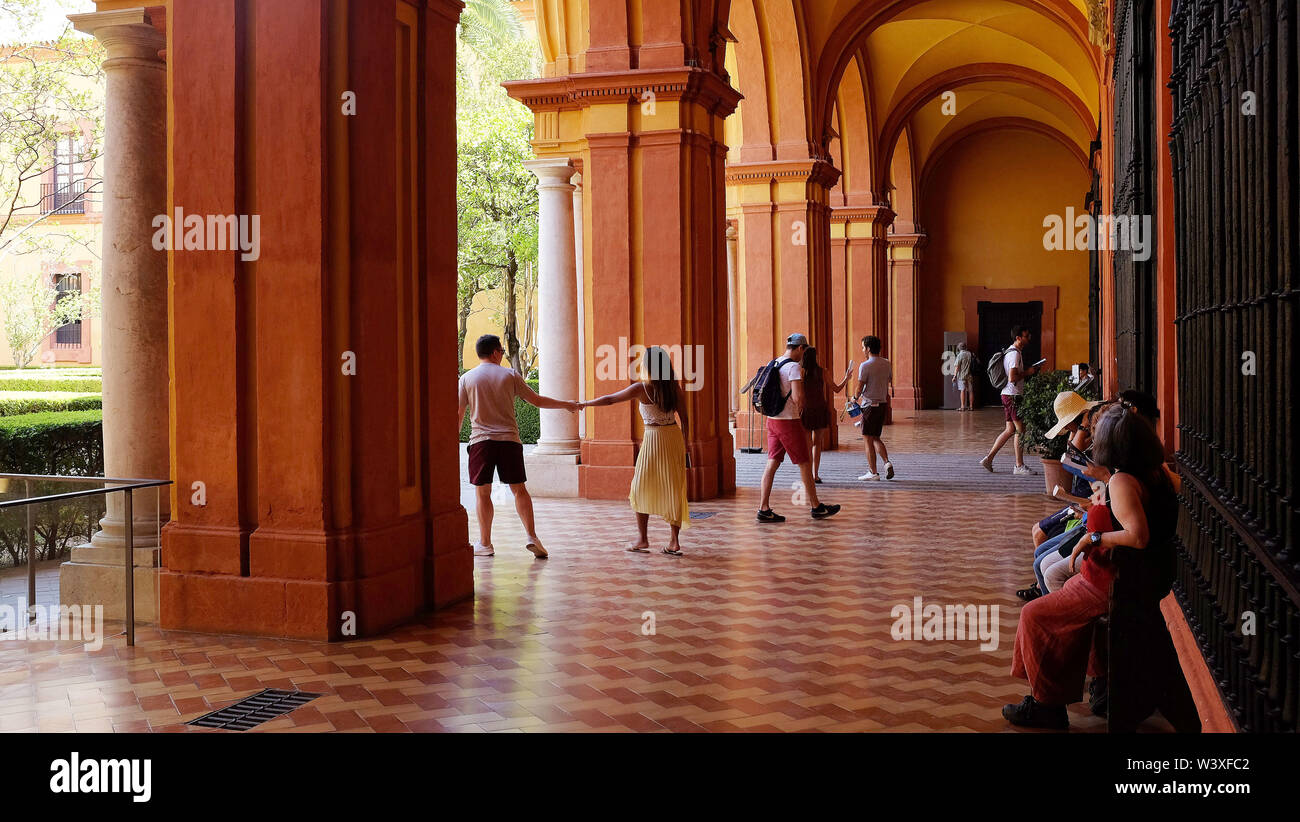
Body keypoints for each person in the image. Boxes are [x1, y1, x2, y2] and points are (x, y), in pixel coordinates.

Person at [1003, 402, 1179, 729]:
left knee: (1035, 615)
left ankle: (1046, 705)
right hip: (1127, 576)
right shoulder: (1157, 472)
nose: (1094, 443)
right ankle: (1097, 683)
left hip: (1110, 581)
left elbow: (1138, 536)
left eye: (1099, 437)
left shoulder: (1123, 481)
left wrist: (1095, 540)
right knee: (1061, 603)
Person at [457, 334, 579, 558]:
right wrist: (567, 405)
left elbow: (459, 414)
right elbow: (537, 400)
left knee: (482, 492)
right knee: (519, 490)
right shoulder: (510, 375)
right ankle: (532, 537)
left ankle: (485, 544)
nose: (502, 356)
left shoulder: (467, 378)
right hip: (509, 441)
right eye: (502, 352)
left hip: (480, 442)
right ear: (495, 352)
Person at [581, 346, 691, 555]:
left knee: (640, 487)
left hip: (652, 439)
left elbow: (610, 399)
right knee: (674, 487)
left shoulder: (642, 388)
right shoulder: (674, 388)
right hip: (672, 438)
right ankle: (674, 541)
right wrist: (686, 446)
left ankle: (642, 539)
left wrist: (585, 403)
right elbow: (684, 419)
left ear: (648, 366)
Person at [757, 333, 842, 522]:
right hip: (788, 421)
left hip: (772, 420)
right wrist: (802, 398)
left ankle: (763, 508)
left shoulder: (776, 361)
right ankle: (816, 507)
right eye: (803, 351)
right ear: (800, 348)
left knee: (772, 463)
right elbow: (797, 398)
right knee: (805, 463)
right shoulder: (794, 367)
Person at [980, 325, 1042, 476]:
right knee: (1021, 431)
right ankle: (1018, 466)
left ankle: (989, 459)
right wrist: (1029, 372)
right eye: (1026, 336)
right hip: (1012, 396)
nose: (1029, 338)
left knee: (1010, 430)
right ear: (1018, 338)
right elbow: (1013, 378)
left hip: (1007, 395)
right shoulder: (1014, 355)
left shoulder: (1012, 352)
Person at [799, 346, 853, 484]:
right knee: (817, 444)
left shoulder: (801, 372)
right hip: (820, 410)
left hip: (805, 410)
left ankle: (807, 476)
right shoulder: (822, 372)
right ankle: (815, 474)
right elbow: (836, 389)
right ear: (815, 357)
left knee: (807, 445)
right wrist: (846, 378)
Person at [854, 335, 894, 481]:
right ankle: (887, 462)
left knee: (867, 440)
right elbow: (888, 379)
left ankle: (873, 472)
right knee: (876, 437)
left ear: (869, 348)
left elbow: (859, 387)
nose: (862, 349)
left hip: (869, 405)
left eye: (863, 347)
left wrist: (854, 398)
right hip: (882, 404)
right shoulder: (887, 363)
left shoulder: (865, 365)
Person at [952, 342, 975, 411]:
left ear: (959, 348)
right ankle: (971, 406)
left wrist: (954, 376)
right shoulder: (970, 354)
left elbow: (957, 367)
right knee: (970, 391)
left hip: (962, 376)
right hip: (969, 375)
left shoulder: (960, 355)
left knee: (962, 390)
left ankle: (962, 406)